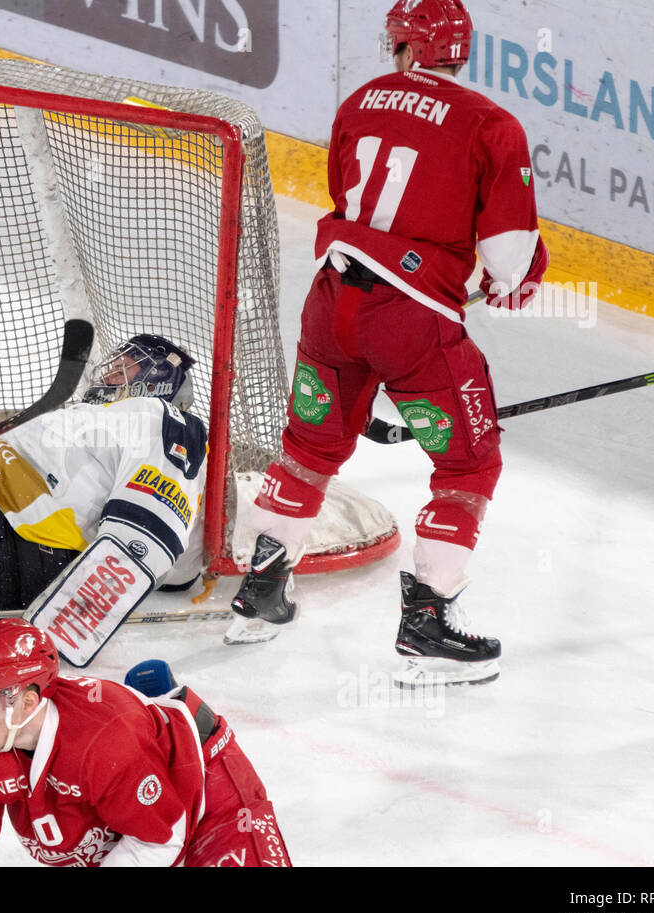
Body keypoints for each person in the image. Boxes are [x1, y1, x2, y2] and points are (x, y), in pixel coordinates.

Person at [229, 0, 548, 687]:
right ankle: (427, 624)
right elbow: (510, 266)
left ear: (407, 48)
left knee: (310, 448)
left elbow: (356, 203)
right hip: (413, 325)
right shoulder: (494, 126)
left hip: (331, 303)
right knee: (467, 466)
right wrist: (512, 281)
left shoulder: (363, 100)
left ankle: (260, 591)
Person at [0, 334, 208, 666]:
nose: (108, 374)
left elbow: (151, 531)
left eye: (124, 368)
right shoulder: (101, 415)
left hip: (13, 546)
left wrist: (70, 622)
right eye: (113, 365)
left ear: (158, 383)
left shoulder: (165, 419)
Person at [0, 618, 290, 866]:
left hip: (205, 789)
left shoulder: (104, 743)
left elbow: (159, 839)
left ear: (26, 702)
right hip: (125, 809)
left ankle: (155, 704)